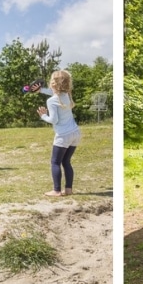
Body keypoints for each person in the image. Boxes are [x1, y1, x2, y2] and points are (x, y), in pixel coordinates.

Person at [37, 69, 81, 197]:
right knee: (66, 162)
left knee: (55, 162)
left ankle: (56, 190)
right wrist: (40, 90)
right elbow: (53, 92)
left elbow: (53, 120)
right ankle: (68, 189)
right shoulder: (67, 95)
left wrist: (43, 116)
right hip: (75, 133)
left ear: (53, 84)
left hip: (63, 135)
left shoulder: (51, 101)